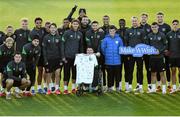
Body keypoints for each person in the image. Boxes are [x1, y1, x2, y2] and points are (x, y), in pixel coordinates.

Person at [145, 22, 168, 94]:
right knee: (153, 73)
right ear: (151, 28)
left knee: (162, 73)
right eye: (153, 27)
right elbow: (147, 46)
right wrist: (150, 51)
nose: (154, 28)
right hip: (152, 58)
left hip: (160, 57)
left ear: (158, 27)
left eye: (155, 27)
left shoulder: (162, 35)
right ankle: (153, 89)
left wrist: (160, 51)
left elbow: (166, 45)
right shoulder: (149, 35)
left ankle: (164, 89)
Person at [124, 16, 145, 94]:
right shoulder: (128, 31)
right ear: (131, 22)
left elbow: (144, 42)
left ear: (138, 21)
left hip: (139, 54)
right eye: (133, 21)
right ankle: (129, 86)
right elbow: (126, 42)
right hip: (131, 54)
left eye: (135, 21)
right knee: (130, 70)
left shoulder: (142, 31)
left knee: (139, 70)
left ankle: (140, 86)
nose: (134, 22)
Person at [62, 19, 83, 94]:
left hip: (76, 58)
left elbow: (81, 46)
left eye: (76, 24)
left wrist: (81, 56)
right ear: (71, 24)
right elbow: (62, 44)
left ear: (78, 25)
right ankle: (65, 89)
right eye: (74, 24)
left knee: (75, 73)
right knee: (66, 73)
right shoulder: (67, 33)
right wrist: (63, 56)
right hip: (67, 57)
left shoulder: (80, 34)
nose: (75, 25)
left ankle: (74, 88)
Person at [43, 23, 64, 95]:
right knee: (49, 74)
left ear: (56, 29)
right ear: (49, 29)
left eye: (54, 28)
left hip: (57, 59)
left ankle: (57, 88)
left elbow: (61, 49)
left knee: (57, 73)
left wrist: (62, 59)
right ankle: (48, 89)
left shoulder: (59, 37)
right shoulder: (46, 37)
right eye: (51, 28)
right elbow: (44, 49)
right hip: (49, 59)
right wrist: (45, 59)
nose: (52, 29)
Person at [101, 25, 123, 92]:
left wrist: (118, 55)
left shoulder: (119, 39)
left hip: (117, 61)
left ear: (115, 31)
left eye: (113, 31)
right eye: (110, 31)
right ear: (109, 31)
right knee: (110, 75)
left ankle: (117, 87)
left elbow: (121, 48)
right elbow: (103, 48)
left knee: (117, 75)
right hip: (108, 61)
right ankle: (110, 87)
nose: (112, 32)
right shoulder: (105, 39)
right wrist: (107, 55)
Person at [86, 21, 105, 89]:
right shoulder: (88, 33)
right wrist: (91, 52)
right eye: (93, 25)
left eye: (96, 25)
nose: (94, 27)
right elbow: (88, 43)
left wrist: (98, 52)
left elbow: (101, 44)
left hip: (98, 55)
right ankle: (87, 85)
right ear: (91, 26)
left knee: (97, 70)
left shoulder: (101, 33)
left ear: (98, 26)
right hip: (90, 54)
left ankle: (95, 85)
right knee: (88, 69)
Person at [30, 17, 46, 94]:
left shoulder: (43, 29)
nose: (39, 24)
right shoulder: (32, 32)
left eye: (40, 23)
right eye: (37, 23)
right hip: (35, 54)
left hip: (43, 54)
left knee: (41, 71)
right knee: (33, 72)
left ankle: (39, 87)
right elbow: (30, 44)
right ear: (35, 23)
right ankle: (32, 88)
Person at [156, 12, 171, 91]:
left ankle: (169, 84)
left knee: (167, 67)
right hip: (158, 52)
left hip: (166, 51)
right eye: (158, 17)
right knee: (158, 68)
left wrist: (168, 50)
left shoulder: (167, 26)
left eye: (161, 17)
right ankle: (158, 85)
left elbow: (169, 39)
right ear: (156, 18)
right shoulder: (155, 27)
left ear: (163, 17)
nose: (159, 18)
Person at [166, 20, 180, 93]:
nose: (175, 25)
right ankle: (174, 87)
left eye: (176, 24)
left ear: (178, 25)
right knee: (173, 72)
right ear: (172, 25)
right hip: (172, 57)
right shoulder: (168, 34)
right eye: (174, 24)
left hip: (179, 56)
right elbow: (166, 46)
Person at [139, 13, 152, 91]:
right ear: (140, 18)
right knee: (139, 68)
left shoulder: (150, 27)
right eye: (142, 17)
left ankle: (149, 85)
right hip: (139, 52)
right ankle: (139, 85)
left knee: (148, 68)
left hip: (147, 52)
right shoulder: (137, 27)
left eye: (145, 17)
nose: (143, 19)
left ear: (147, 18)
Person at [117, 18, 129, 91]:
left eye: (123, 23)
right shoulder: (117, 32)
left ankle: (127, 86)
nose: (121, 24)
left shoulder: (128, 31)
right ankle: (120, 86)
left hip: (127, 54)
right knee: (119, 70)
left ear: (125, 23)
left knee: (127, 70)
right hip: (119, 54)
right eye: (120, 23)